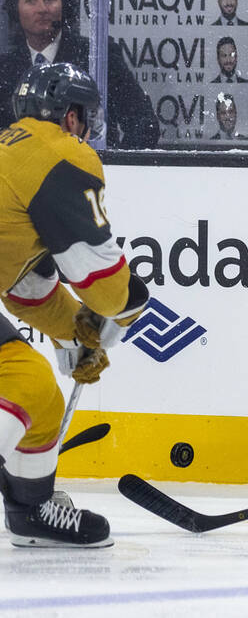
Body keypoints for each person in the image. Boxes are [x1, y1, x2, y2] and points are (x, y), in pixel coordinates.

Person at [0, 62, 150, 547]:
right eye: (83, 116)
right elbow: (100, 280)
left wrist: (75, 331)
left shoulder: (12, 152)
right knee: (26, 381)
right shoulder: (61, 156)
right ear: (69, 116)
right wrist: (129, 308)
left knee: (40, 394)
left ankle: (30, 511)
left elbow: (22, 284)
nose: (85, 128)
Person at [0, 0, 159, 149]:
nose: (42, 8)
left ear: (64, 5)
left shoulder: (98, 55)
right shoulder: (4, 69)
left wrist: (110, 165)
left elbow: (144, 124)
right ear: (15, 10)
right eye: (31, 1)